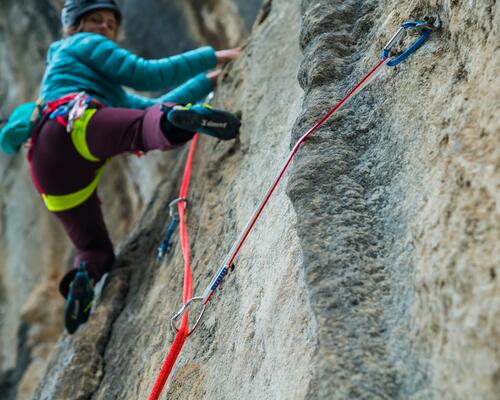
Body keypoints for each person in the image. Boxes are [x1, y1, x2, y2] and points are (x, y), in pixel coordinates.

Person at [30, 0, 242, 334]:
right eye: (95, 20)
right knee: (147, 128)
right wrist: (212, 56)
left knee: (94, 249)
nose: (104, 28)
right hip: (75, 124)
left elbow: (150, 104)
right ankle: (178, 123)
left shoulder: (90, 78)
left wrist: (207, 81)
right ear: (75, 26)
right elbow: (147, 75)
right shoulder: (84, 43)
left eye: (111, 24)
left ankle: (83, 280)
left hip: (49, 171)